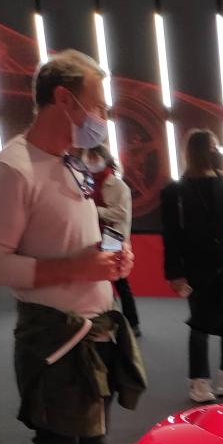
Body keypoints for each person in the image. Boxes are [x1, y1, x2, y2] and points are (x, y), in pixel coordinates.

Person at [0, 48, 143, 444]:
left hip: (95, 328)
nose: (101, 115)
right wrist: (78, 268)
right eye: (97, 103)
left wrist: (111, 257)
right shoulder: (14, 168)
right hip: (53, 336)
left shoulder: (72, 163)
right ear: (64, 98)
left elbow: (81, 232)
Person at [160, 128, 223, 403]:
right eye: (214, 146)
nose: (217, 151)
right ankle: (199, 380)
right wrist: (175, 273)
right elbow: (171, 235)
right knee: (200, 323)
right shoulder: (174, 192)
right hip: (196, 267)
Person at [82, 141, 140, 336]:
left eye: (95, 157)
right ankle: (107, 322)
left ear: (105, 159)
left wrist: (95, 211)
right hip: (92, 236)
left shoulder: (119, 186)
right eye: (89, 157)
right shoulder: (86, 182)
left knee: (120, 283)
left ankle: (133, 323)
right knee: (99, 282)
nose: (92, 161)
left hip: (113, 238)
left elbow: (121, 213)